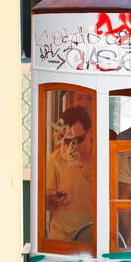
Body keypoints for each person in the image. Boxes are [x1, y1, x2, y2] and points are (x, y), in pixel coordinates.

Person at [45, 104, 93, 243]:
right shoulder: (55, 159)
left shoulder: (103, 159)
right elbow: (43, 202)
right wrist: (53, 198)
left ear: (90, 131)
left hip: (95, 241)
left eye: (78, 140)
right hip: (62, 241)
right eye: (68, 140)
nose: (73, 146)